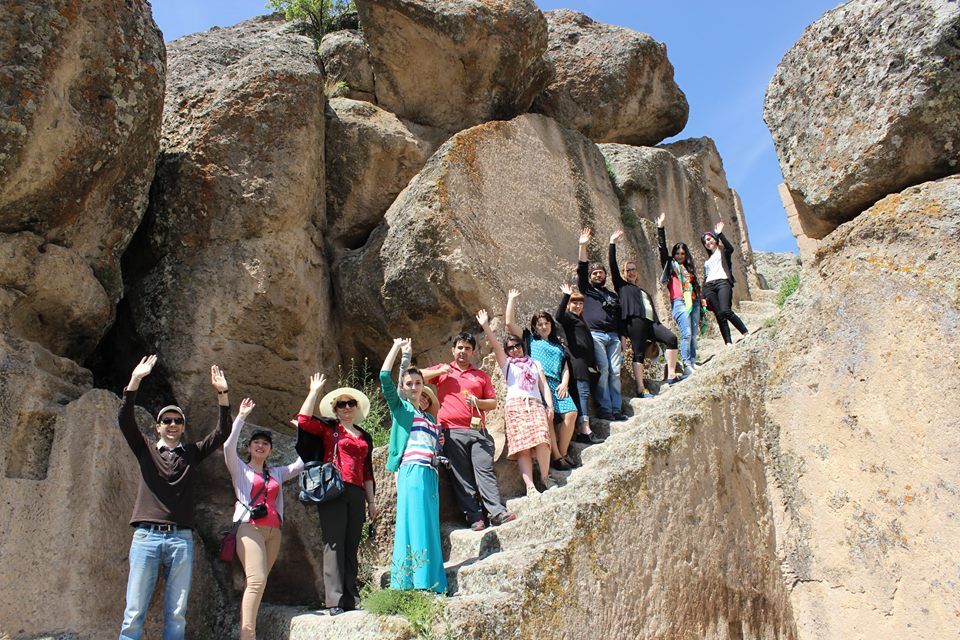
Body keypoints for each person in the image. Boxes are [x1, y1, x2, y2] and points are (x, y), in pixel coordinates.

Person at [117, 355, 231, 640]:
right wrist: (135, 380)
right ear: (157, 427)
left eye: (177, 420)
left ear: (182, 426)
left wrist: (222, 394)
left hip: (180, 539)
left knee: (177, 614)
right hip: (146, 537)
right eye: (166, 420)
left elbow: (222, 432)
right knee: (133, 613)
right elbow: (124, 419)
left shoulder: (191, 453)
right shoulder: (145, 449)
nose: (171, 424)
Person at [295, 373, 377, 615]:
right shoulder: (330, 429)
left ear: (357, 407)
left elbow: (368, 470)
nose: (347, 407)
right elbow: (303, 420)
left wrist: (371, 502)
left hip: (357, 492)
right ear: (336, 409)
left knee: (351, 545)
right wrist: (313, 391)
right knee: (333, 543)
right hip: (334, 489)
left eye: (351, 403)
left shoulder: (365, 436)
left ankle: (351, 597)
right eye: (342, 404)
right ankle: (334, 600)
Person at [224, 398, 305, 640]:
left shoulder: (276, 473)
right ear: (249, 447)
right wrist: (241, 417)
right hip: (250, 529)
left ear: (270, 450)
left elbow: (300, 464)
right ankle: (247, 635)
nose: (261, 446)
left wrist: (302, 433)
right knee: (257, 580)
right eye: (256, 442)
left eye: (265, 443)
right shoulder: (240, 469)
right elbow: (228, 447)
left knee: (258, 583)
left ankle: (249, 630)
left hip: (273, 532)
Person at [421, 333, 515, 532]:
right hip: (451, 431)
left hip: (477, 430)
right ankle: (474, 516)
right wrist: (439, 371)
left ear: (473, 352)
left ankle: (496, 512)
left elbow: (493, 403)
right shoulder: (443, 371)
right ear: (453, 350)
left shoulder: (480, 375)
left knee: (485, 470)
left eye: (467, 348)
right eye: (459, 348)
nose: (463, 351)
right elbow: (413, 377)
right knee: (461, 476)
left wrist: (477, 402)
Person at [381, 338, 448, 593]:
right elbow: (385, 376)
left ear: (423, 386)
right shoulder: (402, 409)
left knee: (429, 524)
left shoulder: (429, 418)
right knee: (415, 522)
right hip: (412, 470)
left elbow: (431, 444)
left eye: (418, 383)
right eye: (409, 383)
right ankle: (415, 583)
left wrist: (438, 441)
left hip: (430, 473)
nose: (414, 386)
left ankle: (433, 582)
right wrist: (400, 351)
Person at [477, 309, 558, 497]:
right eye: (511, 348)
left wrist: (550, 405)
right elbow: (496, 346)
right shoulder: (508, 365)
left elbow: (543, 385)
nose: (515, 349)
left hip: (536, 404)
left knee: (543, 441)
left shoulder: (534, 363)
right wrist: (485, 327)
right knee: (523, 447)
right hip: (516, 406)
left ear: (523, 345)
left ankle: (545, 477)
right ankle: (530, 487)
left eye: (517, 345)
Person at [504, 289, 579, 471]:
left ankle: (561, 453)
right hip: (540, 383)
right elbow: (509, 323)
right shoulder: (530, 340)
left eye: (546, 323)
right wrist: (511, 299)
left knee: (571, 413)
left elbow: (565, 366)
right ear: (534, 327)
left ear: (551, 325)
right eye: (539, 324)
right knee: (549, 420)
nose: (543, 327)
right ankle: (558, 457)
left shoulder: (558, 344)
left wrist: (565, 382)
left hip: (558, 384)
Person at [609, 229, 685, 390]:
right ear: (623, 273)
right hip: (634, 321)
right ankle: (640, 388)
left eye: (633, 269)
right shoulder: (622, 286)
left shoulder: (642, 290)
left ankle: (671, 374)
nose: (631, 272)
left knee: (671, 338)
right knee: (639, 353)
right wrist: (612, 243)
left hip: (651, 322)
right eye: (628, 270)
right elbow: (612, 265)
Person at [577, 227, 626, 421]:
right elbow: (581, 269)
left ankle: (616, 409)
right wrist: (583, 246)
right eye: (595, 273)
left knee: (616, 372)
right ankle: (605, 408)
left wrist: (622, 338)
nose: (598, 275)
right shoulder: (587, 291)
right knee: (604, 370)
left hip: (613, 337)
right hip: (596, 335)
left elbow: (619, 319)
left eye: (600, 273)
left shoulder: (612, 295)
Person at [657, 212, 705, 376]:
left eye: (682, 254)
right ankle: (686, 364)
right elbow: (662, 250)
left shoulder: (689, 269)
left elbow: (694, 286)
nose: (679, 256)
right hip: (679, 301)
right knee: (686, 333)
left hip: (693, 302)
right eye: (677, 253)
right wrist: (660, 228)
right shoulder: (670, 265)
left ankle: (692, 361)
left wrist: (700, 301)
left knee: (693, 333)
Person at [556, 284, 604, 444]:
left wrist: (593, 363)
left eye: (580, 303)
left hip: (584, 363)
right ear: (569, 305)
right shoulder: (569, 318)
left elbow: (586, 342)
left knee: (581, 393)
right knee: (583, 393)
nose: (578, 306)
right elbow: (559, 316)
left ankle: (579, 429)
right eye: (574, 303)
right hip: (577, 362)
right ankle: (585, 429)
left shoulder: (579, 319)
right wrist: (565, 295)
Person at [701, 220, 749, 344]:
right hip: (709, 287)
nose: (708, 242)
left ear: (715, 239)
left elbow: (730, 248)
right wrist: (703, 295)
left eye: (709, 239)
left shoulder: (723, 251)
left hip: (722, 282)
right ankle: (728, 342)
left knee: (725, 310)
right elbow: (706, 277)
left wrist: (720, 234)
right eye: (705, 241)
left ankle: (745, 332)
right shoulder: (708, 260)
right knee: (719, 315)